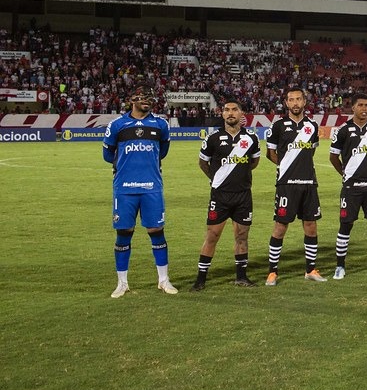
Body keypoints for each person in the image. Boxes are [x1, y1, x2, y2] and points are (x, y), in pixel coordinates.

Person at [103, 85, 176, 297]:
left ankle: (164, 280)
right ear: (132, 99)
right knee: (124, 233)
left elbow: (163, 152)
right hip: (124, 188)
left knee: (156, 231)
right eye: (143, 97)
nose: (147, 100)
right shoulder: (117, 125)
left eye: (150, 97)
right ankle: (122, 283)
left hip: (151, 187)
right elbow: (107, 155)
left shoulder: (160, 124)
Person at [190, 98, 260, 291]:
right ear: (222, 114)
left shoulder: (251, 138)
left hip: (243, 195)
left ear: (241, 114)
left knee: (242, 236)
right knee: (212, 235)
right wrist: (216, 179)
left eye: (234, 110)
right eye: (227, 110)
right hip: (220, 196)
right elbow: (203, 163)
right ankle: (200, 279)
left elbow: (254, 162)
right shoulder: (212, 138)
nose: (230, 113)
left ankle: (241, 277)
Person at [265, 87, 326, 286]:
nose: (295, 103)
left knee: (311, 227)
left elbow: (311, 152)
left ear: (304, 101)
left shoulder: (312, 126)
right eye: (291, 100)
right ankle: (272, 272)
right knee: (280, 227)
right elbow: (271, 153)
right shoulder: (278, 126)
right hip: (287, 185)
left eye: (298, 99)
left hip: (308, 183)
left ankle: (310, 269)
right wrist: (286, 167)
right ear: (286, 103)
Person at [329, 92, 367, 279]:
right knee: (346, 224)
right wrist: (346, 174)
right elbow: (333, 157)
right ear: (353, 107)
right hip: (351, 186)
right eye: (361, 105)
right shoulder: (343, 130)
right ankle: (340, 266)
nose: (365, 109)